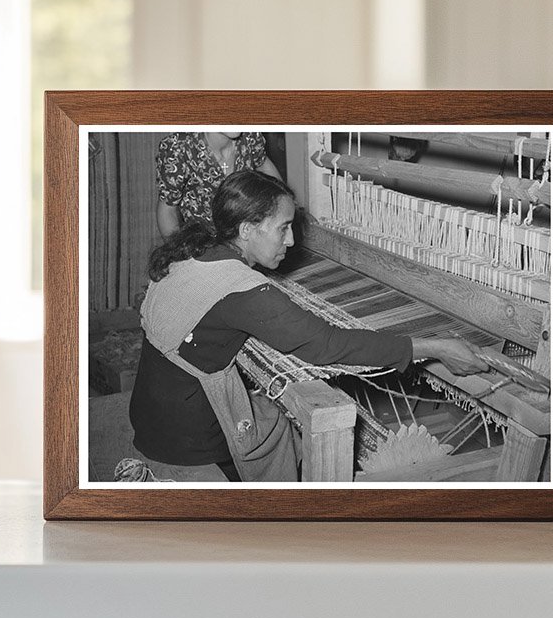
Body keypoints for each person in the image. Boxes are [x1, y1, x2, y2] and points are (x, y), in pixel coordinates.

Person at [130, 169, 489, 483]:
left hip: (151, 413)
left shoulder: (196, 252)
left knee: (275, 420)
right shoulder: (244, 290)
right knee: (277, 433)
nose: (292, 240)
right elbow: (326, 345)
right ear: (247, 229)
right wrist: (434, 346)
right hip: (186, 440)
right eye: (283, 228)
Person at [154, 131, 280, 239]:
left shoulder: (250, 136)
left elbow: (263, 164)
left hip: (246, 241)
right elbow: (168, 211)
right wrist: (182, 257)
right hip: (203, 248)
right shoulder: (179, 148)